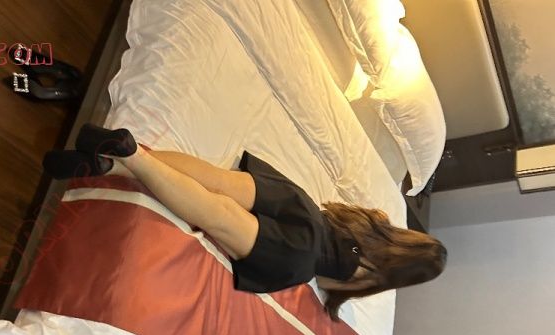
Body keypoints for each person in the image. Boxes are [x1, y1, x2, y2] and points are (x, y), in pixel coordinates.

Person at [43, 124, 447, 320]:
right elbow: (327, 285)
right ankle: (130, 158)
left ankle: (117, 160)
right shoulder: (374, 274)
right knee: (213, 212)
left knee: (215, 180)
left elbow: (333, 210)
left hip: (304, 210)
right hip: (300, 254)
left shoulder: (377, 223)